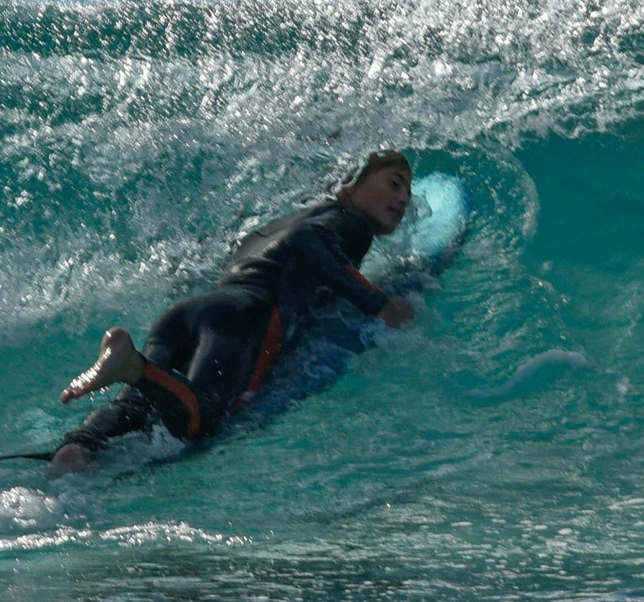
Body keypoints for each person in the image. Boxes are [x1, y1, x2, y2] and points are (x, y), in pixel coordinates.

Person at [53, 149, 416, 471]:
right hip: (241, 319)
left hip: (190, 311)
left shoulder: (288, 219)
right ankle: (135, 367)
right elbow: (309, 242)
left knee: (137, 408)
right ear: (350, 186)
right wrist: (379, 304)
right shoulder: (352, 224)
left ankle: (80, 447)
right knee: (201, 421)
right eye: (395, 184)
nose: (403, 199)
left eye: (408, 193)